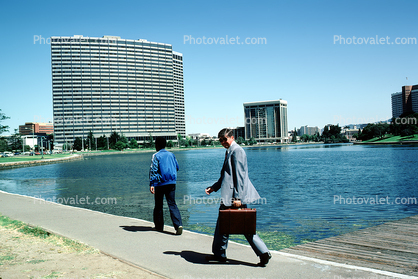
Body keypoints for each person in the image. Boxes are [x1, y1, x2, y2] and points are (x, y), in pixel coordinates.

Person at [205, 128, 271, 266]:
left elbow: (240, 177)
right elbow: (226, 176)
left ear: (232, 137)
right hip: (230, 195)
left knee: (231, 225)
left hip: (233, 197)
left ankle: (220, 253)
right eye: (221, 140)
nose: (223, 142)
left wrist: (238, 198)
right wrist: (214, 188)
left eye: (225, 139)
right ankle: (262, 252)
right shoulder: (230, 151)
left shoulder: (237, 151)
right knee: (237, 225)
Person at [149, 136, 183, 235]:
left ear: (157, 145)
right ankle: (178, 225)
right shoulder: (171, 154)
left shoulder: (156, 155)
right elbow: (177, 167)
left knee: (158, 205)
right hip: (172, 182)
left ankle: (159, 227)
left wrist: (152, 184)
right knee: (172, 204)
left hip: (160, 183)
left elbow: (153, 170)